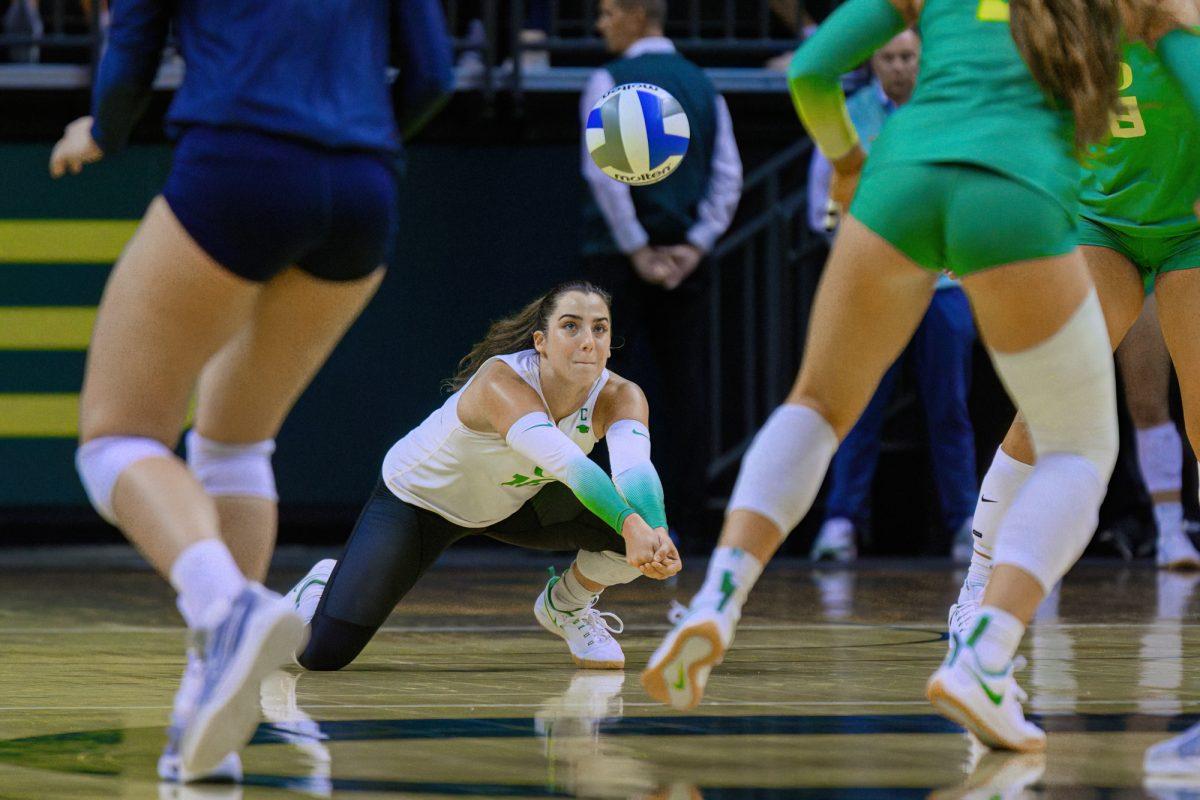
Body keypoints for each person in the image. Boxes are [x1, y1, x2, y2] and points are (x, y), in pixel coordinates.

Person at [641, 0, 1170, 753]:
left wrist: (850, 164)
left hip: (901, 174)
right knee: (1079, 448)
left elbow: (811, 69)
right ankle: (986, 652)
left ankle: (717, 599)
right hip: (1013, 189)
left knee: (817, 404)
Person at [48, 0, 454, 784]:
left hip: (242, 163)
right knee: (236, 441)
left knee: (116, 439)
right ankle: (212, 715)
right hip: (365, 185)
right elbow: (433, 73)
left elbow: (131, 51)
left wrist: (99, 130)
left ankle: (225, 605)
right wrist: (356, 146)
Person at [949, 20, 1200, 644]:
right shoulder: (1065, 18)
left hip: (1191, 226)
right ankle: (978, 586)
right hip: (1103, 220)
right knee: (1047, 407)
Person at [287, 282, 681, 673]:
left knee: (639, 533)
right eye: (571, 326)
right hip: (419, 503)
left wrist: (658, 533)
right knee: (322, 655)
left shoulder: (621, 393)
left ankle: (566, 604)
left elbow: (635, 471)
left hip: (515, 503)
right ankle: (322, 583)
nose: (587, 341)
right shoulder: (502, 382)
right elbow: (571, 467)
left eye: (599, 328)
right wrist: (633, 527)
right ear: (541, 341)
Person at [803, 28, 978, 562]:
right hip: (873, 288)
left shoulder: (950, 110)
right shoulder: (850, 114)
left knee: (950, 407)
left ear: (924, 60)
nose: (900, 67)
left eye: (908, 57)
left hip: (943, 287)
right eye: (889, 57)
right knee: (855, 406)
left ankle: (965, 522)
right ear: (873, 61)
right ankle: (841, 522)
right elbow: (822, 202)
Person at [581, 0, 742, 546]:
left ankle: (599, 518)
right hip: (683, 264)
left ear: (635, 14)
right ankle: (687, 524)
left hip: (616, 265)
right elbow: (727, 176)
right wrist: (692, 247)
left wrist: (637, 249)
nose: (600, 24)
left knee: (593, 385)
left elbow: (603, 174)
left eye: (607, 12)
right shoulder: (702, 85)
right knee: (683, 389)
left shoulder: (611, 79)